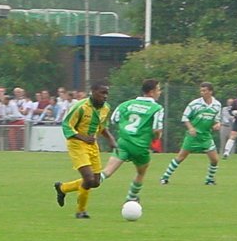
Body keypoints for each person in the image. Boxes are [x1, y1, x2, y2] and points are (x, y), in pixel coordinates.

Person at [53, 82, 117, 219]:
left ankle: (63, 188)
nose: (105, 96)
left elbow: (102, 127)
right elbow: (66, 126)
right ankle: (80, 211)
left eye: (106, 93)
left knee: (96, 182)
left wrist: (111, 140)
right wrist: (82, 137)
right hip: (77, 144)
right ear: (92, 92)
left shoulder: (106, 108)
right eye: (102, 93)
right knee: (88, 179)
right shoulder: (80, 107)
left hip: (92, 145)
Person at [99, 79, 164, 203]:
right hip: (140, 147)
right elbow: (157, 129)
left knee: (106, 172)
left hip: (123, 143)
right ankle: (131, 197)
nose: (160, 92)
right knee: (140, 173)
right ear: (151, 92)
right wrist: (156, 137)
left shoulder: (126, 104)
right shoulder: (157, 108)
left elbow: (114, 119)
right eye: (158, 89)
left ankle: (84, 186)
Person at [160, 82, 222, 185]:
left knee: (215, 159)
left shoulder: (217, 105)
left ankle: (209, 180)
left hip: (205, 136)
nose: (202, 93)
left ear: (211, 91)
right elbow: (185, 117)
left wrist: (217, 124)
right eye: (201, 91)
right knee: (181, 157)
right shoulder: (195, 104)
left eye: (205, 91)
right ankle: (165, 177)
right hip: (193, 136)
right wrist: (191, 128)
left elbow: (216, 120)